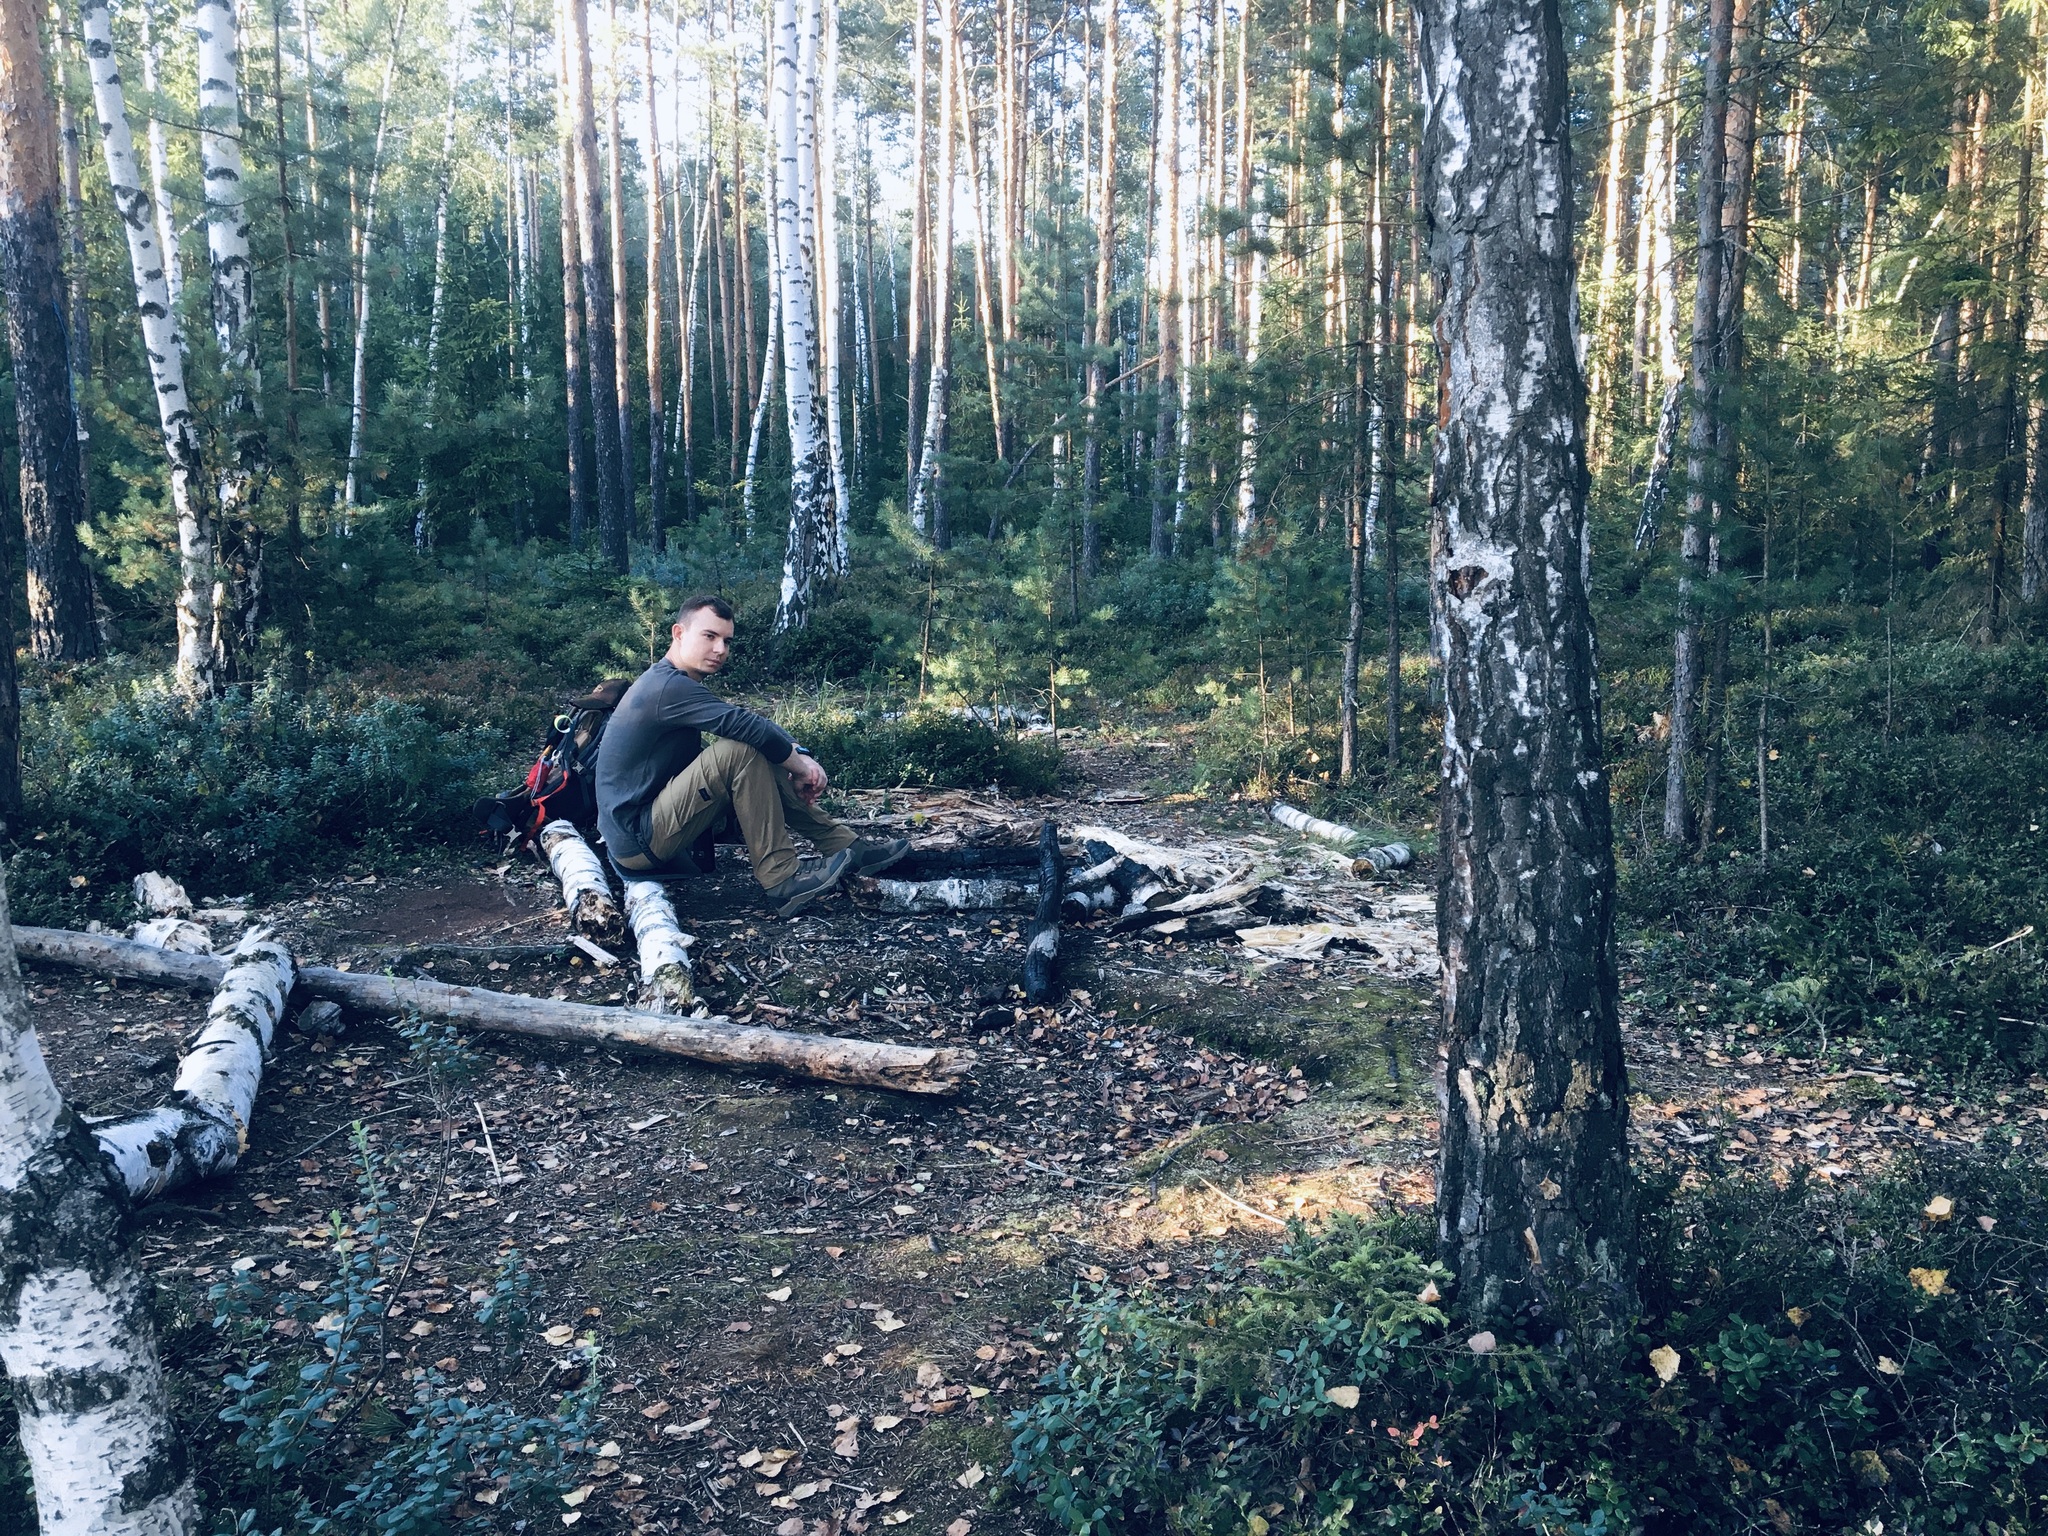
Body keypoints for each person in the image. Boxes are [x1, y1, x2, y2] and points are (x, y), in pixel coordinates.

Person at [594, 594, 908, 915]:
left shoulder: (674, 683)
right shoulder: (667, 687)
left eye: (726, 641)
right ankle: (782, 879)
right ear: (678, 633)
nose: (720, 649)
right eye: (710, 636)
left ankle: (846, 847)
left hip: (644, 829)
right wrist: (801, 767)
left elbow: (746, 722)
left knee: (748, 747)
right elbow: (745, 727)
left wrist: (799, 753)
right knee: (739, 751)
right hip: (637, 840)